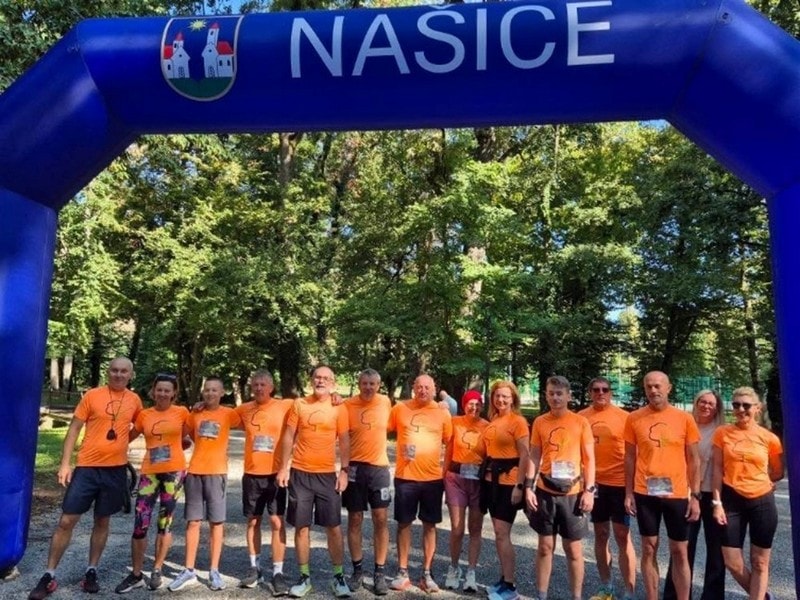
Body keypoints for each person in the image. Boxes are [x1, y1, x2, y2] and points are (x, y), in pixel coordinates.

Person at [29, 357, 143, 599]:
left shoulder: (134, 400)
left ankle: (92, 570)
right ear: (108, 372)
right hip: (87, 468)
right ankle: (49, 574)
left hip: (115, 470)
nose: (119, 374)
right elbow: (74, 429)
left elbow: (142, 425)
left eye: (124, 371)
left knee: (102, 520)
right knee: (66, 521)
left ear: (130, 375)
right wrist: (64, 463)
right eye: (114, 370)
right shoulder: (92, 395)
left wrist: (123, 441)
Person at [624, 370, 701, 600]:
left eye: (658, 386)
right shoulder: (634, 418)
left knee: (679, 551)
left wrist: (695, 496)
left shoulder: (684, 418)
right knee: (648, 547)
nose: (653, 390)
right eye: (649, 386)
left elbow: (694, 459)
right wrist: (628, 493)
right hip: (645, 492)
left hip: (677, 493)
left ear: (668, 388)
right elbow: (629, 457)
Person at [276, 365, 352, 599]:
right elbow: (289, 435)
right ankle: (304, 577)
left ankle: (338, 577)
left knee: (334, 527)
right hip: (300, 474)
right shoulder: (300, 404)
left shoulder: (339, 407)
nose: (321, 381)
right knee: (301, 527)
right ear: (311, 381)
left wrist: (344, 471)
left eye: (326, 378)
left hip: (327, 475)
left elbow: (344, 440)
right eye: (317, 377)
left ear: (333, 383)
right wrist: (283, 467)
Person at [114, 373, 190, 593]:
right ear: (153, 391)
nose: (163, 394)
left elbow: (189, 436)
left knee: (165, 523)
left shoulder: (182, 412)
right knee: (140, 523)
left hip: (174, 473)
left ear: (174, 393)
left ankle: (157, 569)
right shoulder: (144, 415)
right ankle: (136, 574)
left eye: (167, 390)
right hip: (150, 473)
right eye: (159, 390)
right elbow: (127, 437)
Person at [169, 376, 242, 592]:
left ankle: (214, 571)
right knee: (193, 522)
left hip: (217, 473)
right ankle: (188, 570)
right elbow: (183, 435)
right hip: (195, 472)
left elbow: (253, 419)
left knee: (216, 523)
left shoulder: (229, 414)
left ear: (222, 393)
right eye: (207, 390)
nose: (210, 393)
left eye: (214, 390)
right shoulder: (195, 413)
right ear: (203, 392)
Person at [525, 375, 596, 600]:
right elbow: (534, 455)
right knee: (545, 546)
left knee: (573, 549)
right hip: (545, 490)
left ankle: (576, 596)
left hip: (573, 493)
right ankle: (541, 595)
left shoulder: (580, 422)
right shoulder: (540, 422)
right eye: (551, 394)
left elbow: (589, 459)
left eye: (559, 394)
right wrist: (528, 487)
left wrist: (589, 491)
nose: (555, 398)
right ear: (546, 396)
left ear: (568, 396)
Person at [712, 386, 784, 600]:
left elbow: (778, 471)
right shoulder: (722, 433)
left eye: (746, 405)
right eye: (736, 405)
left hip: (762, 501)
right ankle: (762, 596)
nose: (741, 409)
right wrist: (717, 503)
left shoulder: (769, 438)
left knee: (760, 562)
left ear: (757, 408)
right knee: (732, 562)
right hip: (731, 500)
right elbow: (717, 469)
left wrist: (766, 481)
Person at [387, 374, 453, 593]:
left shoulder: (442, 412)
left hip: (432, 479)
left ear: (434, 389)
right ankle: (402, 571)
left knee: (430, 525)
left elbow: (450, 442)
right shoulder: (400, 409)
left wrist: (446, 470)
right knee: (403, 523)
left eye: (427, 387)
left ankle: (427, 572)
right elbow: (379, 429)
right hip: (405, 477)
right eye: (419, 387)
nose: (423, 390)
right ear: (413, 388)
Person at [664, 390, 726, 600]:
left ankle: (712, 596)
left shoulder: (721, 431)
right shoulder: (684, 424)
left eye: (711, 403)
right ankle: (676, 595)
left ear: (717, 408)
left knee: (716, 549)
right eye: (702, 401)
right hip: (687, 493)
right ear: (696, 402)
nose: (706, 406)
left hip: (714, 494)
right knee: (682, 547)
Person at [235, 369, 292, 596]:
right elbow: (218, 414)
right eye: (255, 384)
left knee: (277, 522)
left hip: (276, 474)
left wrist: (335, 397)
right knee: (253, 521)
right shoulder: (243, 409)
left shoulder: (285, 405)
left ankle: (277, 572)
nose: (259, 388)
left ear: (271, 387)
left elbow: (311, 404)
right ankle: (254, 567)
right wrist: (202, 404)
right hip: (252, 474)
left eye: (263, 384)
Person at [579, 377, 636, 600]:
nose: (600, 393)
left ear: (611, 393)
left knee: (622, 535)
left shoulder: (625, 418)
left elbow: (633, 454)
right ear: (590, 393)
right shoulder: (581, 418)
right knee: (601, 534)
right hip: (594, 485)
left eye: (605, 389)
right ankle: (606, 586)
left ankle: (629, 590)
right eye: (596, 390)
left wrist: (631, 489)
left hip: (619, 483)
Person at [342, 368, 393, 596]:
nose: (369, 387)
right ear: (359, 384)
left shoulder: (385, 402)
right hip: (355, 468)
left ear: (379, 386)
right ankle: (357, 570)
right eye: (365, 383)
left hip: (379, 468)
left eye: (373, 384)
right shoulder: (347, 405)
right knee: (355, 519)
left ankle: (379, 572)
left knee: (381, 519)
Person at [479, 381, 530, 600]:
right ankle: (504, 579)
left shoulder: (518, 422)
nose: (501, 400)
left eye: (505, 396)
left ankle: (510, 586)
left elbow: (525, 455)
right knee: (498, 533)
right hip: (491, 482)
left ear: (513, 399)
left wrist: (520, 485)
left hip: (509, 483)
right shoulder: (494, 421)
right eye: (497, 396)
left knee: (502, 533)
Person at [443, 390, 488, 592]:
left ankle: (471, 571)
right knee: (457, 527)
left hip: (478, 481)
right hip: (456, 479)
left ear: (482, 406)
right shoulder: (455, 422)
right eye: (470, 403)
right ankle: (454, 567)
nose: (474, 407)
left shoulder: (487, 427)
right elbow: (448, 451)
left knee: (475, 528)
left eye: (478, 404)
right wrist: (443, 476)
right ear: (464, 404)